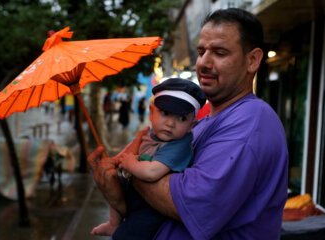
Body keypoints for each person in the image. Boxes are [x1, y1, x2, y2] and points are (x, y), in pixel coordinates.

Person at [87, 8, 289, 240]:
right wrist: (114, 185)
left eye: (220, 53)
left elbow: (190, 203)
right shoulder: (200, 124)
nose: (204, 62)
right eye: (201, 51)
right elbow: (148, 206)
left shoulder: (251, 122)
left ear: (252, 60)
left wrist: (130, 167)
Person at [91, 78, 207, 239]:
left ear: (191, 125)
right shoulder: (151, 134)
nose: (170, 123)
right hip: (136, 190)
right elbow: (131, 149)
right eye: (165, 113)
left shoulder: (179, 146)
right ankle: (113, 223)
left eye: (181, 118)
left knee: (128, 235)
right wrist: (116, 161)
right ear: (151, 112)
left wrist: (130, 163)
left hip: (152, 207)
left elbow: (152, 172)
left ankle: (118, 231)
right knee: (114, 181)